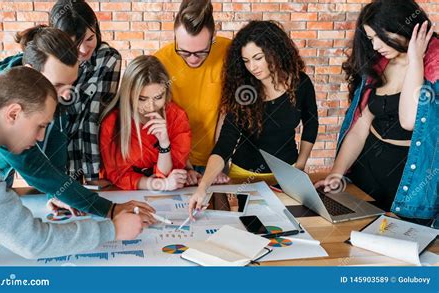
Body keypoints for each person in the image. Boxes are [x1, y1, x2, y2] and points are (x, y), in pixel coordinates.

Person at [0, 67, 155, 259]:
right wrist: (112, 229)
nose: (40, 138)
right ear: (14, 114)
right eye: (40, 126)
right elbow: (32, 242)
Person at [0, 25, 143, 219]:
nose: (67, 94)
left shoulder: (51, 93)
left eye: (71, 83)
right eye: (57, 85)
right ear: (32, 72)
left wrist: (55, 194)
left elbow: (56, 151)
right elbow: (36, 169)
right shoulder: (4, 103)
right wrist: (109, 209)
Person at [316, 0, 438, 225]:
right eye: (371, 39)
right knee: (354, 243)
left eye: (380, 37)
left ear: (402, 26)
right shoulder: (379, 63)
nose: (375, 46)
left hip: (407, 180)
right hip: (367, 169)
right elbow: (360, 127)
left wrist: (414, 61)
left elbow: (409, 120)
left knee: (401, 249)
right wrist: (336, 173)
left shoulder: (434, 65)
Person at [189, 20, 319, 215]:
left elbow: (311, 123)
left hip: (287, 172)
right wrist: (203, 187)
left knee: (288, 228)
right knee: (254, 226)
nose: (252, 67)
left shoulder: (301, 83)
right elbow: (225, 143)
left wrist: (300, 166)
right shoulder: (244, 91)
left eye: (257, 58)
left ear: (274, 51)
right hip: (245, 175)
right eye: (246, 61)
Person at [154, 0, 231, 185]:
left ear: (213, 37)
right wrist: (184, 163)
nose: (193, 59)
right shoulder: (159, 62)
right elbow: (162, 118)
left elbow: (227, 111)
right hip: (175, 155)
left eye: (202, 52)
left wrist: (218, 159)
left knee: (218, 206)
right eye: (184, 52)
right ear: (175, 37)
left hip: (217, 151)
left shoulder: (229, 52)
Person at [50, 0, 122, 186]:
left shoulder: (108, 59)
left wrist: (92, 177)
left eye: (90, 39)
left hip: (97, 160)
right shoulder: (49, 63)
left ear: (96, 30)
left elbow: (94, 117)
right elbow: (55, 121)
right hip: (55, 160)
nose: (84, 50)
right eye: (75, 43)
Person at [100, 55, 191, 191]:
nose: (150, 106)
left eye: (158, 97)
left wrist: (164, 143)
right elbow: (118, 175)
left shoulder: (177, 116)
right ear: (128, 95)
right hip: (122, 194)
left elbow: (171, 174)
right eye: (142, 99)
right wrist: (160, 184)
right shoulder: (112, 122)